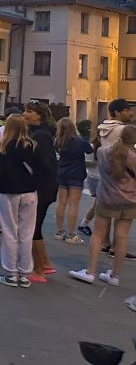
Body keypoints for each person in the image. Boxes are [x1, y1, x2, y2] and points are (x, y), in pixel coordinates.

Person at [70, 125, 136, 287]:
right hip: (129, 201)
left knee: (98, 235)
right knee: (122, 237)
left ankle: (90, 272)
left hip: (106, 199)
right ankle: (114, 275)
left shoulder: (103, 153)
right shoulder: (134, 158)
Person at [0, 114, 40, 287]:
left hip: (8, 192)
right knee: (27, 232)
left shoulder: (2, 147)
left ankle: (11, 272)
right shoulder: (32, 146)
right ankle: (25, 273)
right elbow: (40, 169)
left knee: (10, 231)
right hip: (30, 192)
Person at [23, 101, 58, 282]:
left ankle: (38, 270)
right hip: (45, 187)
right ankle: (45, 263)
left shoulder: (40, 136)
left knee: (33, 228)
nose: (25, 114)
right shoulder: (41, 133)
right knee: (35, 227)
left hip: (41, 188)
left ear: (39, 116)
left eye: (29, 111)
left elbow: (44, 164)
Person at [54, 117, 93, 244]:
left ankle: (59, 231)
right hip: (76, 174)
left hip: (62, 173)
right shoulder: (79, 142)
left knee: (61, 203)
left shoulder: (57, 141)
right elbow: (90, 150)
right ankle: (71, 234)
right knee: (73, 204)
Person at [0, 107, 23, 233]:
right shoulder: (1, 132)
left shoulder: (23, 134)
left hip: (17, 172)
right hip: (4, 170)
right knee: (1, 195)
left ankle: (13, 221)